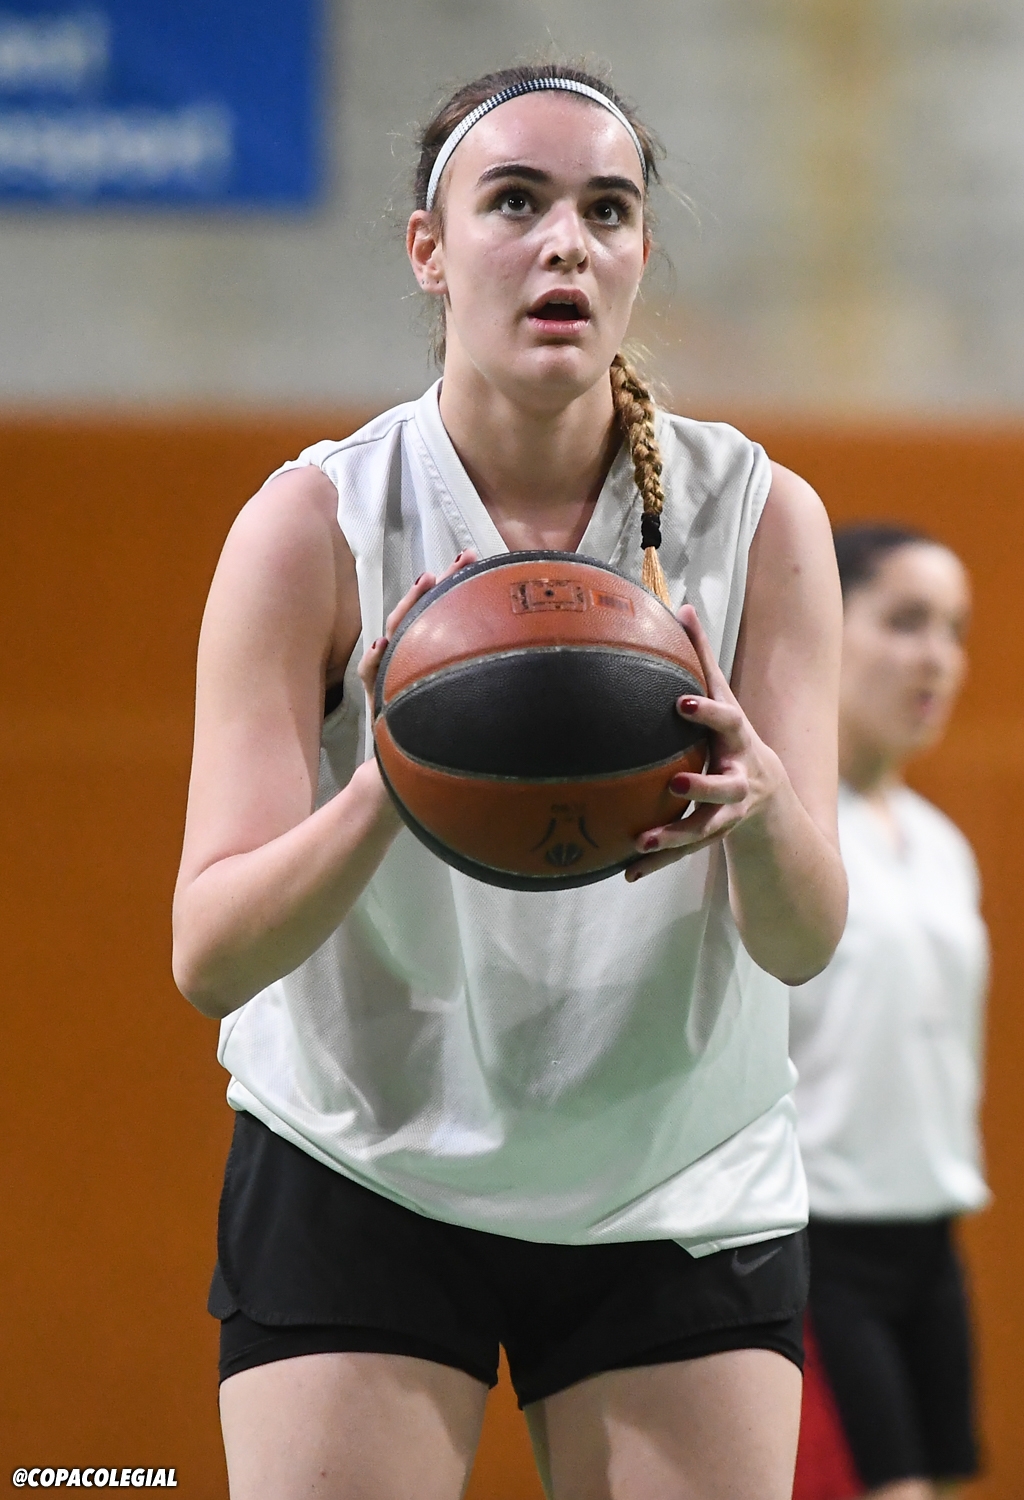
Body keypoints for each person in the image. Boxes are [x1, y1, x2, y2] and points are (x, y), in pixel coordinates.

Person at [172, 62, 847, 1500]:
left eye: (606, 211)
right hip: (362, 1157)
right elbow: (209, 955)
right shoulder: (314, 525)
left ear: (640, 251)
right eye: (516, 202)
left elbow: (801, 939)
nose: (565, 245)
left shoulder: (757, 517)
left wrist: (763, 808)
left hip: (677, 1175)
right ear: (430, 248)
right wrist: (394, 780)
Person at [790, 524, 989, 1500]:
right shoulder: (780, 836)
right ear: (827, 626)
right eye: (905, 622)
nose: (935, 658)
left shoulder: (941, 845)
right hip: (816, 1244)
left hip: (930, 1236)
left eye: (953, 630)